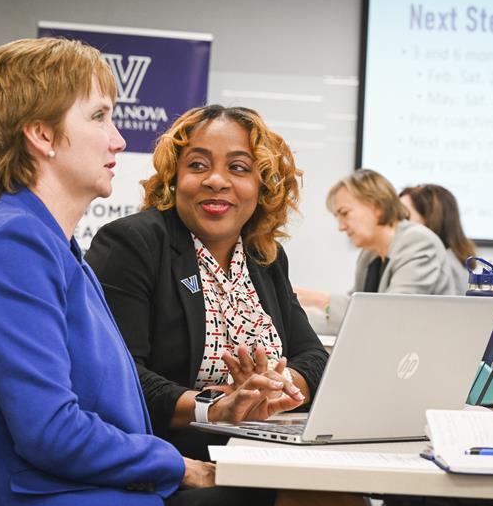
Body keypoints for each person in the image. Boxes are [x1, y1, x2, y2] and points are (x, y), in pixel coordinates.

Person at [0, 38, 286, 506]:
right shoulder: (14, 245)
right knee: (313, 500)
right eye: (99, 117)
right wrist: (180, 465)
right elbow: (51, 432)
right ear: (41, 135)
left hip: (93, 489)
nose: (119, 139)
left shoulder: (45, 242)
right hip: (64, 499)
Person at [85, 105, 329, 461]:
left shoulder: (264, 255)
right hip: (172, 456)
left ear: (262, 184)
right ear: (173, 178)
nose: (216, 180)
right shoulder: (134, 244)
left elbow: (314, 358)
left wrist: (272, 388)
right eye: (197, 165)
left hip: (261, 445)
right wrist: (216, 405)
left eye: (238, 168)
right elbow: (118, 375)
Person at [295, 169, 457, 332]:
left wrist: (319, 299)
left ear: (377, 206)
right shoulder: (369, 253)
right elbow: (352, 315)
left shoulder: (419, 242)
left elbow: (391, 313)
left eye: (345, 213)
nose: (341, 227)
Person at [399, 184, 476, 295]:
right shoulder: (450, 259)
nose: (394, 223)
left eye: (404, 216)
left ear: (430, 219)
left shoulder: (443, 267)